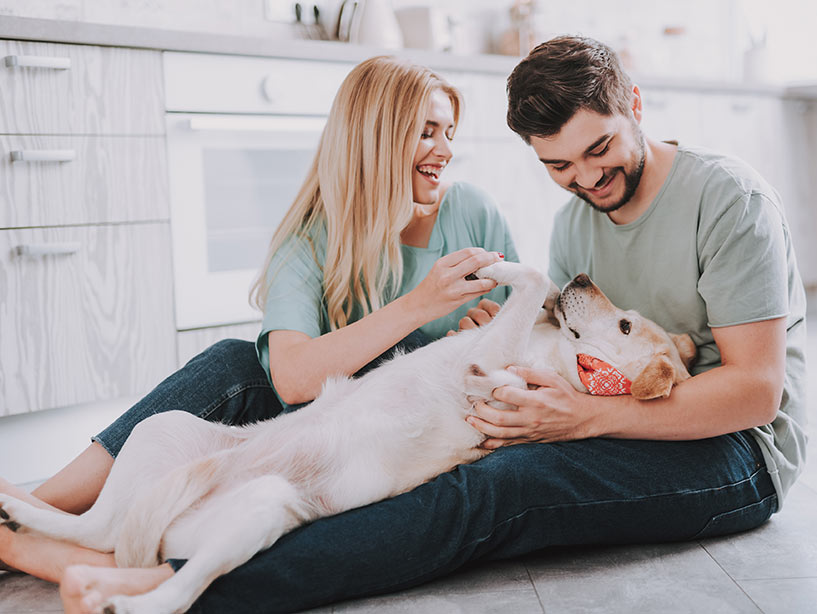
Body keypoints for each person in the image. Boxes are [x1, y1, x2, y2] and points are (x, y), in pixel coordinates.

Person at [5, 37, 809, 613]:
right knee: (232, 363)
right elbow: (564, 352)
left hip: (727, 446)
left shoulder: (722, 200)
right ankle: (45, 509)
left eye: (598, 151)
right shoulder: (573, 223)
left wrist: (565, 414)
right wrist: (530, 380)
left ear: (634, 106)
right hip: (408, 415)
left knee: (492, 490)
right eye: (558, 167)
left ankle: (178, 584)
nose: (586, 178)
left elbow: (752, 394)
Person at [0, 56, 516, 610]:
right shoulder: (309, 237)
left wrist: (495, 330)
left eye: (449, 133)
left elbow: (524, 332)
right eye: (427, 132)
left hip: (403, 443)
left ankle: (31, 532)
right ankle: (39, 510)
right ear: (376, 138)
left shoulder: (471, 212)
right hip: (321, 424)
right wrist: (420, 306)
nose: (445, 150)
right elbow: (293, 380)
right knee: (237, 362)